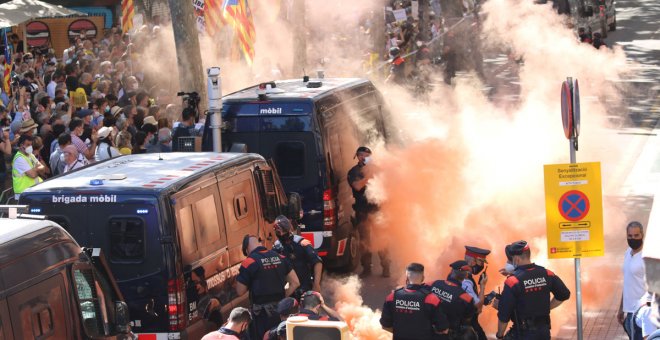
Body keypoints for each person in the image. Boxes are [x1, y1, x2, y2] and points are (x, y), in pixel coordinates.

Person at [495, 241, 571, 340]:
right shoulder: (547, 274)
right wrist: (547, 307)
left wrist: (499, 335)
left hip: (522, 334)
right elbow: (564, 294)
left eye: (510, 259)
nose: (509, 262)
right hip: (544, 333)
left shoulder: (513, 282)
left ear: (516, 259)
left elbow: (504, 316)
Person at [236, 235, 300, 339]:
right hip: (280, 311)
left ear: (246, 250)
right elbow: (296, 282)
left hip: (261, 316)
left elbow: (240, 291)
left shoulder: (249, 262)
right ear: (259, 243)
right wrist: (282, 297)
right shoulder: (280, 257)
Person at [348, 146, 390, 277]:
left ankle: (386, 267)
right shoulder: (354, 171)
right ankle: (366, 268)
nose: (364, 157)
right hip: (362, 211)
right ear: (358, 156)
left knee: (382, 239)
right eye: (362, 155)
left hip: (377, 210)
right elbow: (357, 186)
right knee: (364, 241)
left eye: (367, 155)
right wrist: (369, 176)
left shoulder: (378, 170)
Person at [381, 262, 449, 339]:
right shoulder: (431, 299)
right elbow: (443, 328)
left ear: (406, 276)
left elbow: (385, 325)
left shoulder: (392, 297)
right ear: (423, 277)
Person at [273, 215, 323, 294]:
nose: (282, 234)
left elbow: (317, 262)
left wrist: (316, 284)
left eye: (283, 231)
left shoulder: (302, 243)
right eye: (278, 231)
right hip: (288, 289)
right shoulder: (277, 247)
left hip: (305, 287)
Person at [429, 260, 477, 339]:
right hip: (449, 334)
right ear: (466, 276)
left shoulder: (433, 283)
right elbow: (468, 317)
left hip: (429, 331)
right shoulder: (466, 298)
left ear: (451, 271)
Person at [618, 221, 647, 340]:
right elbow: (627, 282)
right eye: (630, 236)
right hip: (629, 312)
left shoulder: (647, 256)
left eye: (636, 236)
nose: (633, 239)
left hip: (642, 314)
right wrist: (621, 308)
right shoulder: (628, 252)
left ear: (642, 235)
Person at [463, 245, 490, 340]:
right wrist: (482, 286)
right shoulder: (466, 280)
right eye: (481, 261)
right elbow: (478, 307)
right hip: (466, 326)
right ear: (472, 261)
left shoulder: (458, 273)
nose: (482, 265)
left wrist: (483, 298)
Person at [12, 135, 45, 199]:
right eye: (28, 145)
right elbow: (33, 175)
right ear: (21, 145)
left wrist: (34, 170)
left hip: (33, 191)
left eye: (31, 145)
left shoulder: (31, 155)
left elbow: (43, 169)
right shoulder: (19, 159)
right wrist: (37, 169)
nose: (30, 147)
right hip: (24, 193)